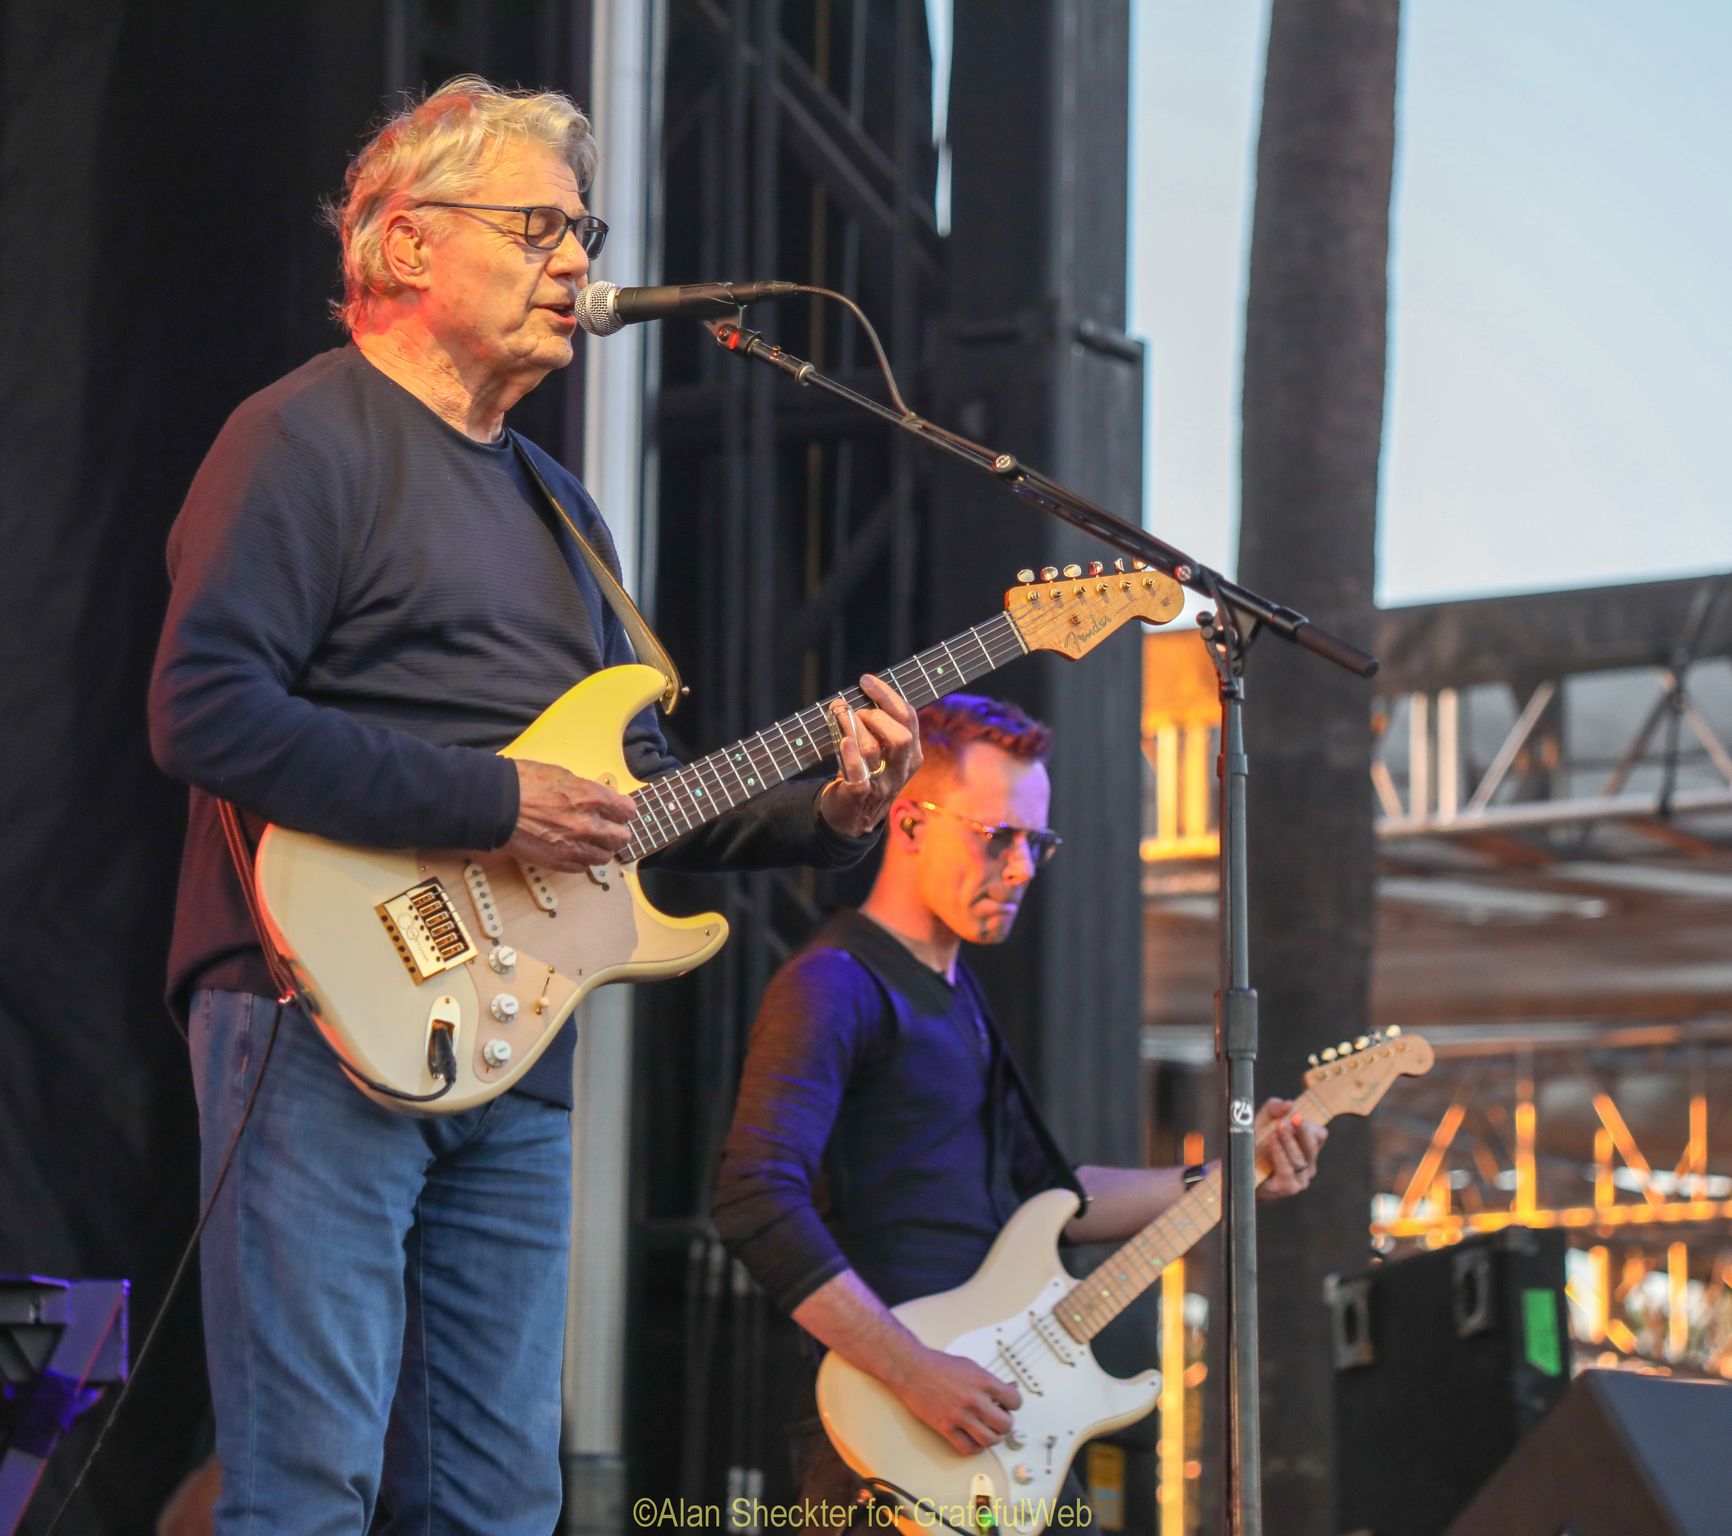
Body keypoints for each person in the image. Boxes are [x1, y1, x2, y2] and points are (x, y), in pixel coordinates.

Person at [147, 76, 920, 1535]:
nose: (575, 261)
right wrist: (493, 800)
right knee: (308, 1484)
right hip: (316, 1007)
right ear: (405, 242)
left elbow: (633, 805)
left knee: (499, 1498)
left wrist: (828, 809)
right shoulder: (299, 438)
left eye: (584, 233)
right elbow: (206, 711)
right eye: (539, 227)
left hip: (513, 1045)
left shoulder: (564, 506)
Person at [712, 694, 1327, 1513]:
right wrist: (914, 1370)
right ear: (909, 823)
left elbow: (1054, 1199)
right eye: (997, 835)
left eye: (1036, 842)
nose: (1023, 869)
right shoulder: (833, 985)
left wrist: (1233, 1175)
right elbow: (754, 1199)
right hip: (892, 1430)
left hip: (990, 1413)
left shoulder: (958, 996)